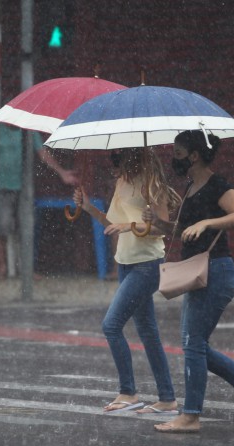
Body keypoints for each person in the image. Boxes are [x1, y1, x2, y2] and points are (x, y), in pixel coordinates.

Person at [142, 130, 234, 432]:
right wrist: (157, 223)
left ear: (194, 155)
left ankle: (191, 415)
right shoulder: (189, 187)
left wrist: (207, 222)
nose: (173, 158)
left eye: (177, 152)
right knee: (195, 345)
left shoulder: (218, 185)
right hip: (197, 272)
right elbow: (182, 231)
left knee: (193, 344)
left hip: (217, 271)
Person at [73, 147, 181, 413]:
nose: (116, 172)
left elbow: (163, 228)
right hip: (125, 262)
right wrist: (87, 207)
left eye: (120, 166)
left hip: (147, 264)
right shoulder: (123, 183)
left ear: (132, 162)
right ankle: (167, 399)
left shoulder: (152, 186)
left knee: (111, 325)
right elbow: (112, 223)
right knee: (148, 331)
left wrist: (132, 226)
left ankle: (128, 392)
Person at [0, 124, 78, 278]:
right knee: (2, 225)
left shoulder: (27, 130)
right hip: (0, 184)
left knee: (25, 226)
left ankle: (25, 268)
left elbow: (42, 153)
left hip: (23, 186)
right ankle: (2, 266)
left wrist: (61, 173)